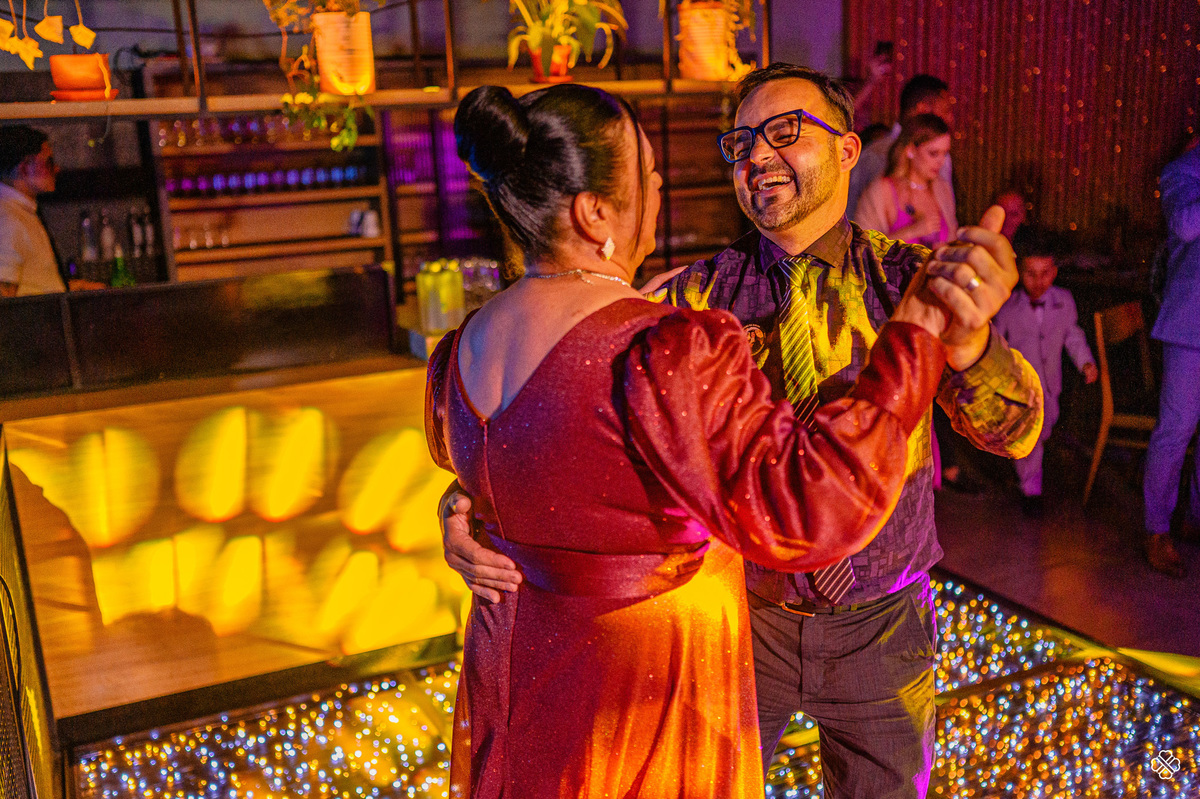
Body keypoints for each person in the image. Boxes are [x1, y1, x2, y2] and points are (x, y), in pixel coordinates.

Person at [442, 65, 1043, 799]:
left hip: (884, 623)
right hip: (737, 622)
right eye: (740, 143)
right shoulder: (683, 303)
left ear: (850, 150)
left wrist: (974, 345)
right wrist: (467, 507)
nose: (756, 156)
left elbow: (1015, 433)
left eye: (784, 132)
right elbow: (559, 419)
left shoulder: (909, 281)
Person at [995, 239, 1097, 517]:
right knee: (1031, 435)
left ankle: (1028, 476)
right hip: (1021, 388)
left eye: (1045, 273)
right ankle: (1031, 489)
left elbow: (1073, 336)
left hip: (1051, 386)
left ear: (1053, 272)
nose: (1038, 281)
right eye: (1031, 274)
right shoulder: (1008, 308)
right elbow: (997, 345)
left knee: (1045, 427)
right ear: (1020, 272)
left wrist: (1085, 361)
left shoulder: (1064, 301)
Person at [1142, 135, 1200, 578]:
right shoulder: (1182, 170)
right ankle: (1156, 529)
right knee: (1176, 430)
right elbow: (1183, 225)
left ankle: (1194, 518)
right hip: (1189, 323)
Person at [847, 73, 954, 219]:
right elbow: (857, 223)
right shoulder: (876, 156)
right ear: (922, 109)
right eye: (946, 110)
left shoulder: (942, 183)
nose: (950, 118)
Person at [853, 113, 958, 248]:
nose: (941, 161)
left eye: (945, 153)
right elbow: (862, 248)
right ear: (910, 150)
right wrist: (912, 231)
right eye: (933, 153)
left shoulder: (942, 188)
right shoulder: (882, 190)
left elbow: (952, 237)